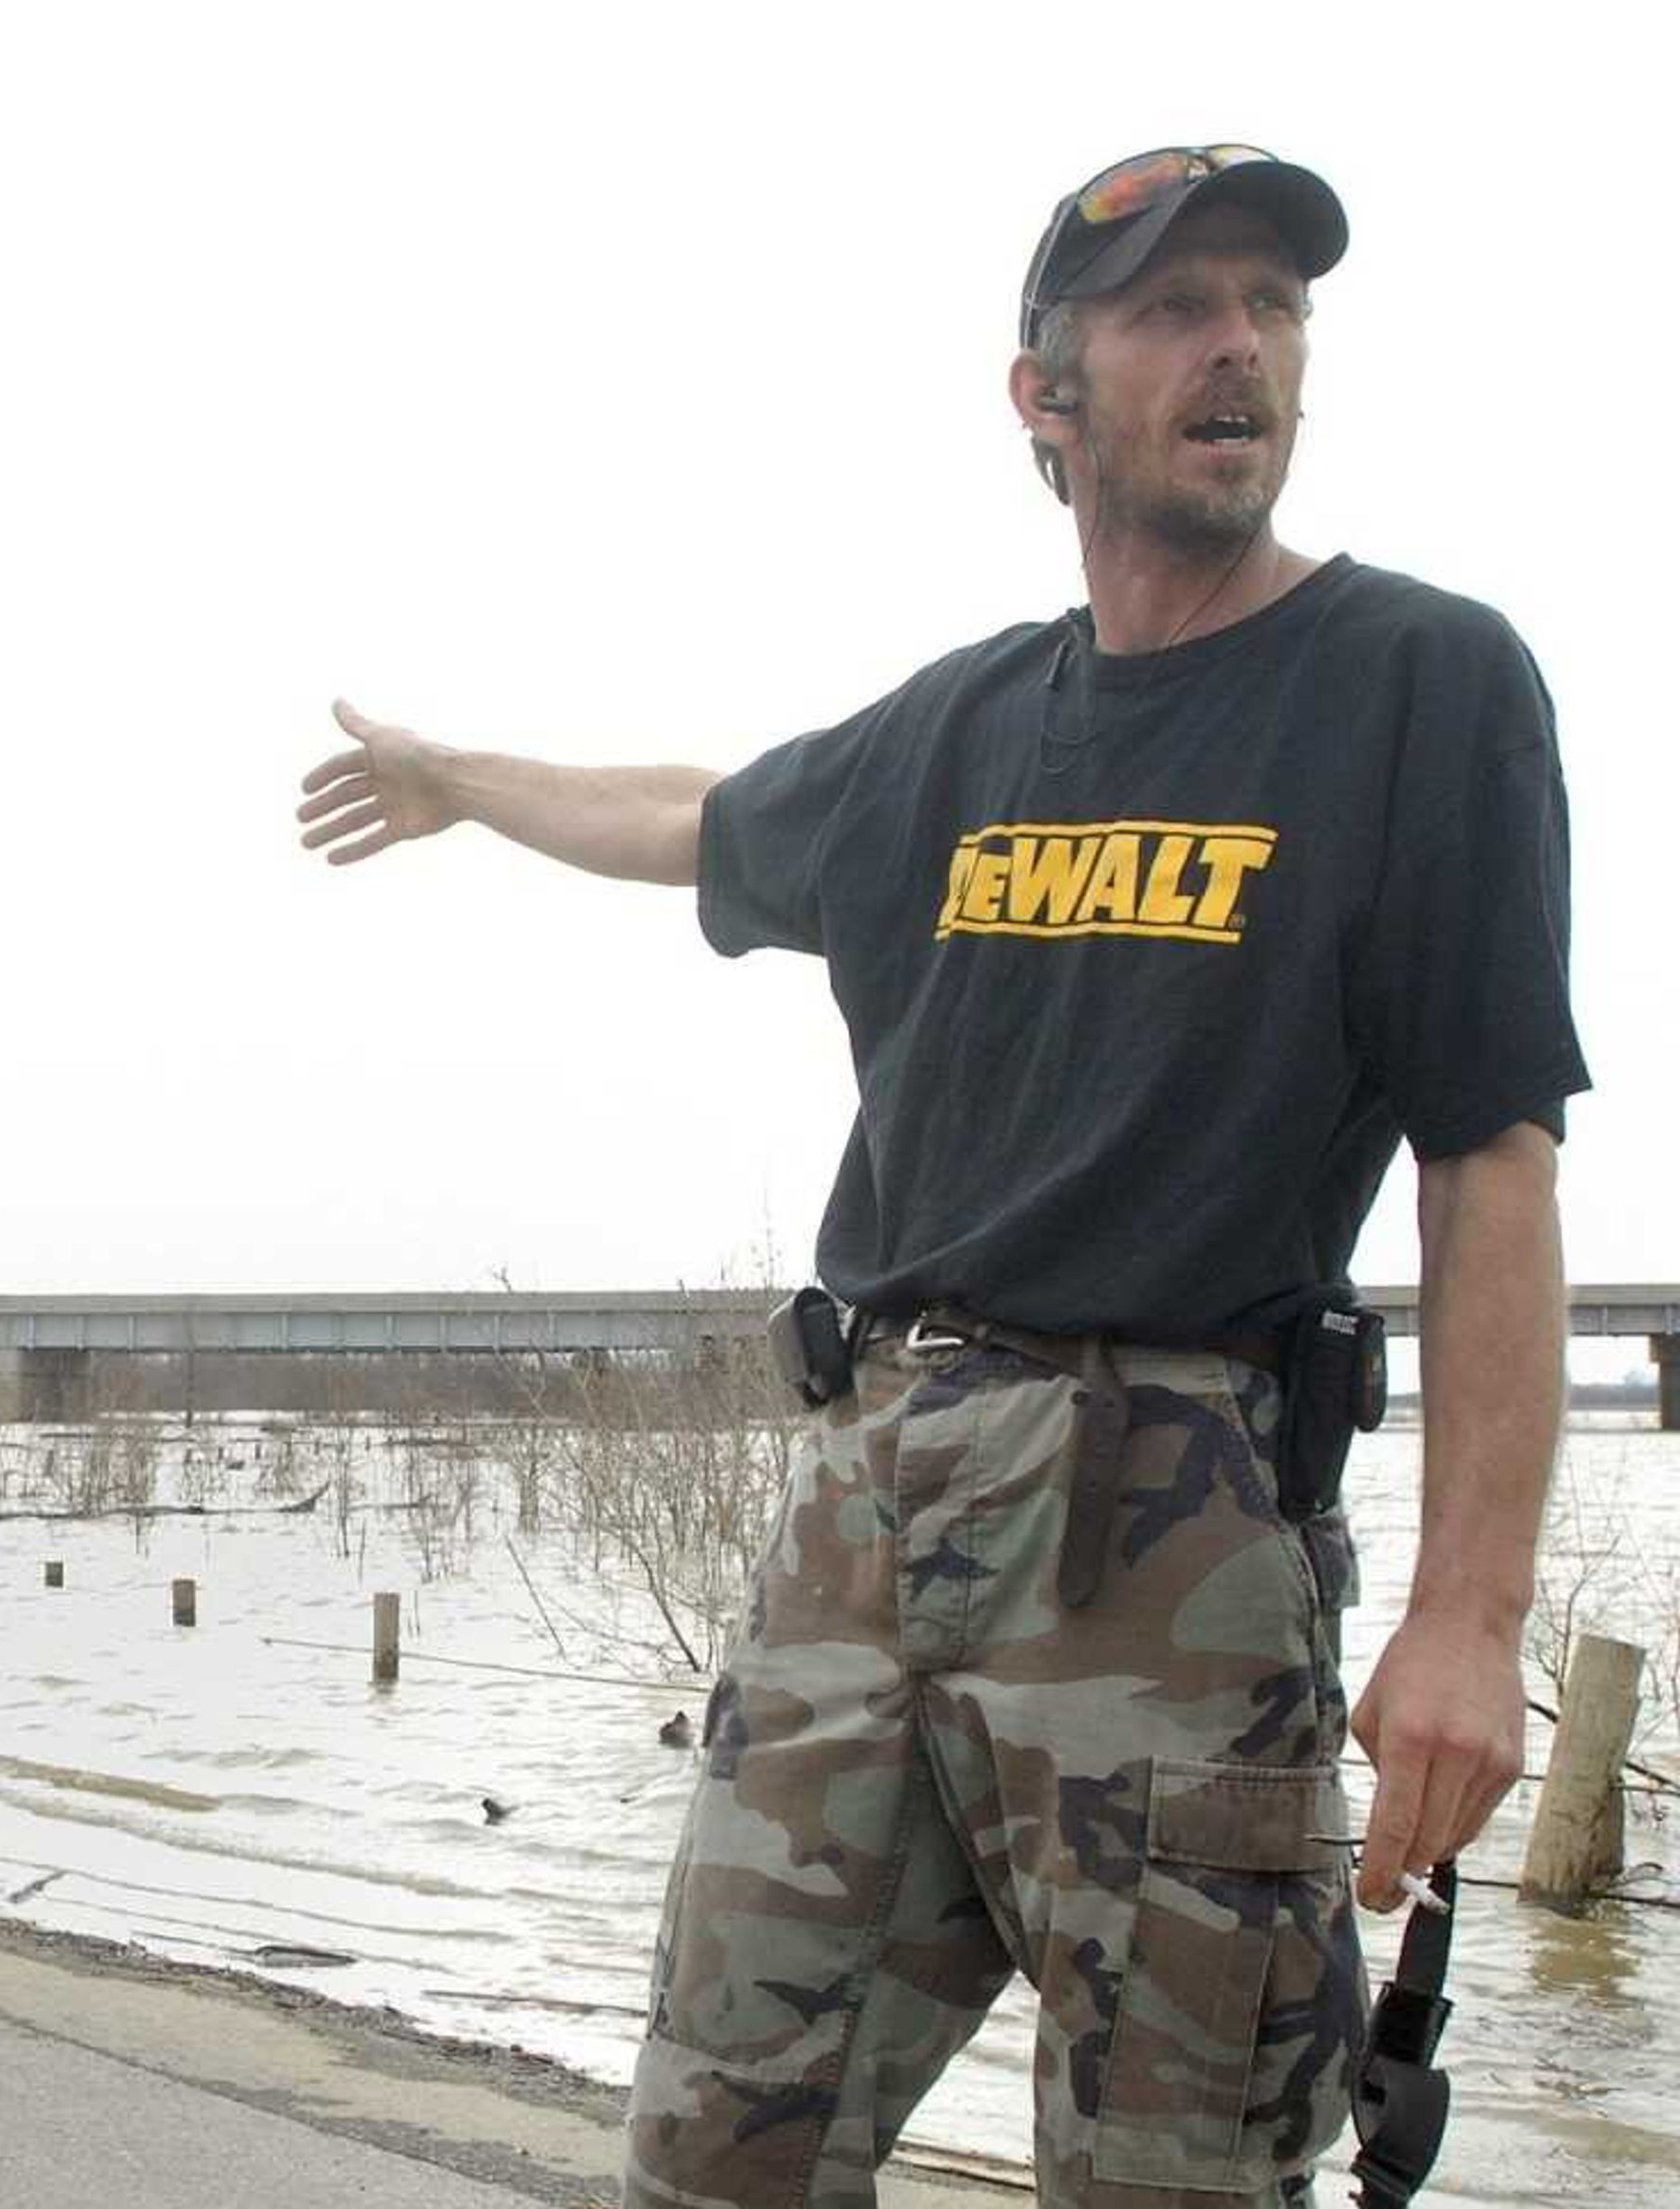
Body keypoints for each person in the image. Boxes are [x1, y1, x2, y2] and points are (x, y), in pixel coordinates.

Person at [295, 145, 1583, 2206]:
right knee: (717, 2149)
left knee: (1176, 2173)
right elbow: (700, 815)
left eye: (1270, 305)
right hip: (872, 1498)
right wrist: (466, 787)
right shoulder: (964, 731)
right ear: (1046, 394)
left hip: (1178, 1532)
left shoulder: (1416, 686)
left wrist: (1467, 1614)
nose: (1238, 343)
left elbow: (1492, 1160)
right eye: (1174, 308)